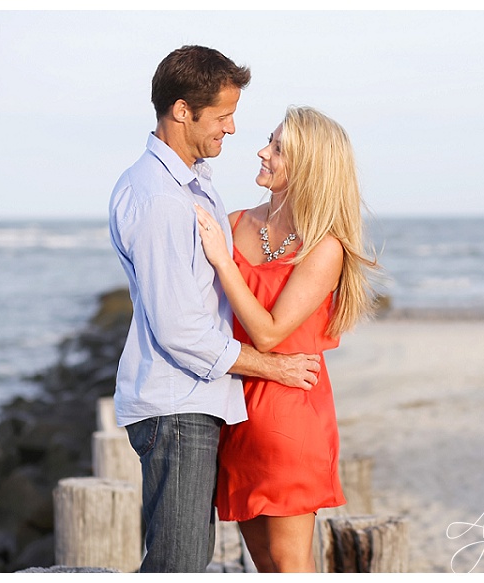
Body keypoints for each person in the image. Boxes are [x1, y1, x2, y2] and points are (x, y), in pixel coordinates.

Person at [108, 46, 322, 573]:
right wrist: (270, 365)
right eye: (223, 115)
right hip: (176, 403)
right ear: (183, 111)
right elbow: (181, 328)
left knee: (187, 559)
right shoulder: (163, 198)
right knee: (179, 565)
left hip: (196, 402)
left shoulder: (192, 185)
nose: (231, 128)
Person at [195, 105, 378, 572]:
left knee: (291, 567)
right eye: (269, 141)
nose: (262, 151)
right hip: (234, 408)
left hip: (289, 411)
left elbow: (270, 332)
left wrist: (223, 262)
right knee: (265, 568)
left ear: (309, 166)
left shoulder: (324, 248)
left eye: (277, 147)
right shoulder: (234, 222)